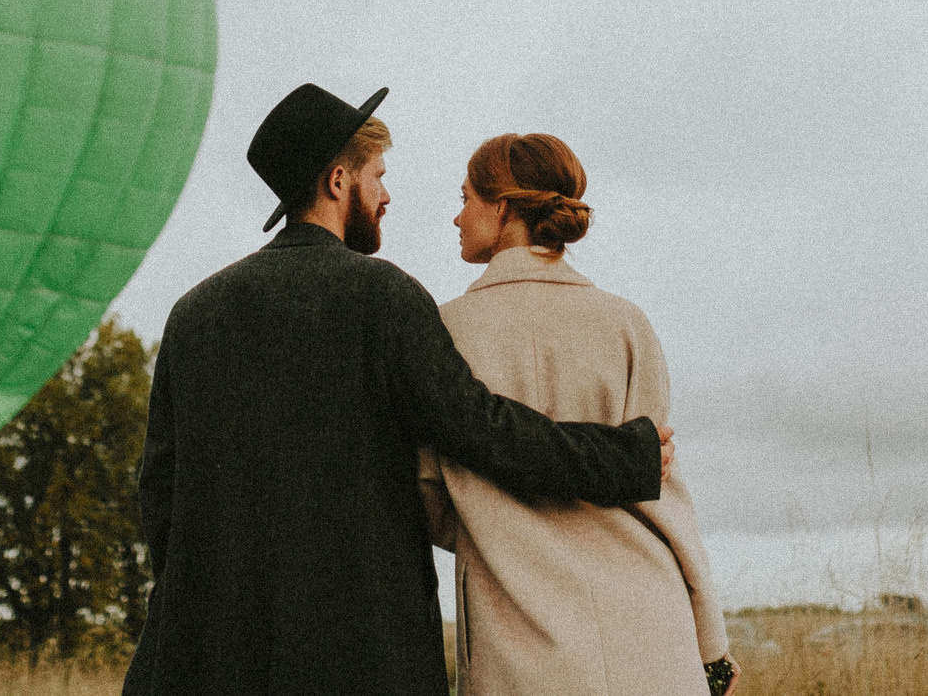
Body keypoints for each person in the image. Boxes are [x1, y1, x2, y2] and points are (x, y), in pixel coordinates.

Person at [122, 83, 675, 696]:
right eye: (377, 176)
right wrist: (627, 456)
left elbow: (160, 493)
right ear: (338, 181)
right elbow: (484, 431)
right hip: (359, 656)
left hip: (201, 660)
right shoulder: (382, 297)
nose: (386, 196)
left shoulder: (192, 314)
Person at [419, 132, 736, 696]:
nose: (456, 217)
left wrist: (493, 525)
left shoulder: (446, 332)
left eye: (465, 198)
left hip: (520, 648)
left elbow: (430, 492)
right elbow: (665, 493)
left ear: (503, 207)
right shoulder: (625, 324)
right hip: (652, 642)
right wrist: (710, 645)